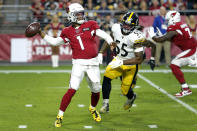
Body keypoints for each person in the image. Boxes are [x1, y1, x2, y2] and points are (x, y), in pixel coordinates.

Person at [38, 3, 115, 127]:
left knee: (96, 89)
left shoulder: (90, 24)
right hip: (78, 63)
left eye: (81, 13)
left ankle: (92, 108)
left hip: (93, 63)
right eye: (78, 14)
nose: (81, 16)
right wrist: (40, 32)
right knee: (72, 89)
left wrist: (111, 42)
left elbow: (104, 34)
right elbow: (54, 42)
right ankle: (60, 115)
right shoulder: (67, 31)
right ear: (71, 16)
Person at [98, 11, 156, 113]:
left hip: (131, 64)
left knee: (125, 91)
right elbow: (109, 39)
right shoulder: (116, 28)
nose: (126, 27)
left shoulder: (136, 37)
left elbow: (139, 59)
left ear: (134, 26)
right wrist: (100, 52)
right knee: (106, 77)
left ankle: (132, 96)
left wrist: (152, 58)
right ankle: (105, 104)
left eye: (129, 26)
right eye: (125, 24)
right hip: (118, 59)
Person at [148, 10, 197, 97]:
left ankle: (186, 89)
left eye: (168, 19)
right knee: (175, 64)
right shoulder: (180, 24)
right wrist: (161, 36)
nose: (167, 22)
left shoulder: (174, 27)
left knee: (174, 65)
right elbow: (172, 37)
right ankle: (185, 89)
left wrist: (153, 36)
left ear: (173, 18)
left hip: (192, 50)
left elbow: (162, 39)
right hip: (192, 48)